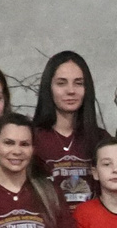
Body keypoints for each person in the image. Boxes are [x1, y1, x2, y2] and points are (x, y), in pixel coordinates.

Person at [27, 50, 106, 207]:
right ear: (48, 87)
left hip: (91, 227)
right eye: (61, 83)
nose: (71, 90)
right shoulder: (31, 138)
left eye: (78, 83)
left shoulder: (101, 139)